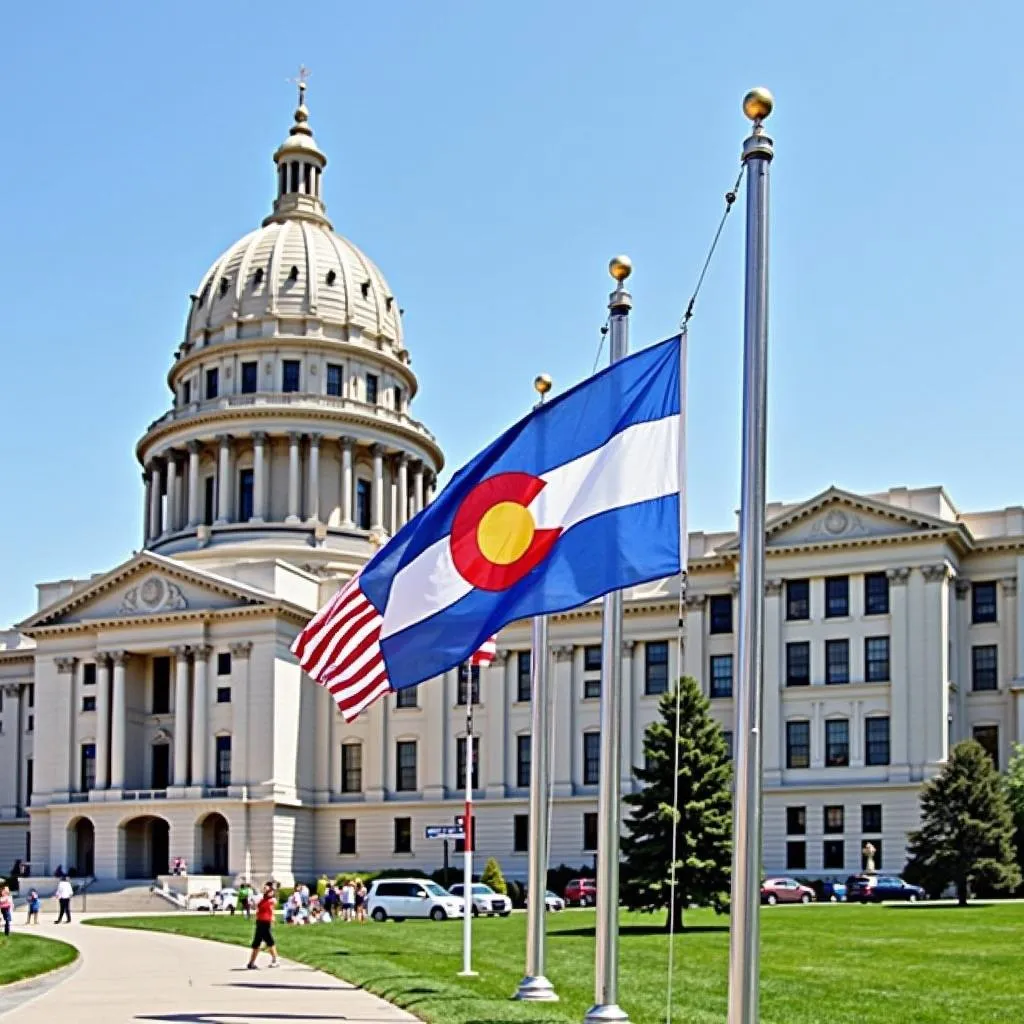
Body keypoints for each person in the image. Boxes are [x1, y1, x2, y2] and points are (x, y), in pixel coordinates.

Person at [247, 882, 280, 970]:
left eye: (266, 888)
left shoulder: (271, 899)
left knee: (269, 940)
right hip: (259, 922)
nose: (264, 889)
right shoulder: (262, 898)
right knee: (257, 942)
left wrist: (273, 917)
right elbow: (254, 905)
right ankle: (251, 963)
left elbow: (272, 905)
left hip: (266, 922)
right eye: (264, 888)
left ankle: (275, 959)